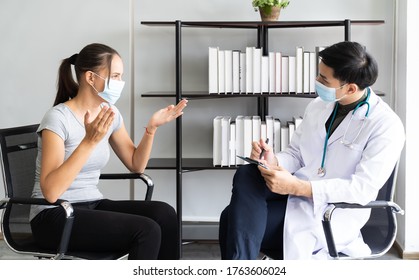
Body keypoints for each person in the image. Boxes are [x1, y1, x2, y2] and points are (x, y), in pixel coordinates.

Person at [219, 41, 405, 260]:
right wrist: (274, 161)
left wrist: (301, 187)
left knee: (230, 217)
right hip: (297, 193)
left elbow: (361, 189)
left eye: (324, 79)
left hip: (332, 212)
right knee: (248, 173)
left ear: (351, 88)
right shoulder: (318, 106)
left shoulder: (385, 125)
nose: (317, 82)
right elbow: (297, 153)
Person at [29, 43, 188, 260]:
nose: (120, 83)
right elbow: (51, 192)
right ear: (91, 78)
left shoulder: (109, 113)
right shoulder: (57, 118)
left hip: (91, 204)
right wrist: (88, 141)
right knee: (146, 230)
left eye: (121, 76)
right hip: (54, 215)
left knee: (165, 214)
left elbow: (135, 164)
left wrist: (152, 129)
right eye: (114, 76)